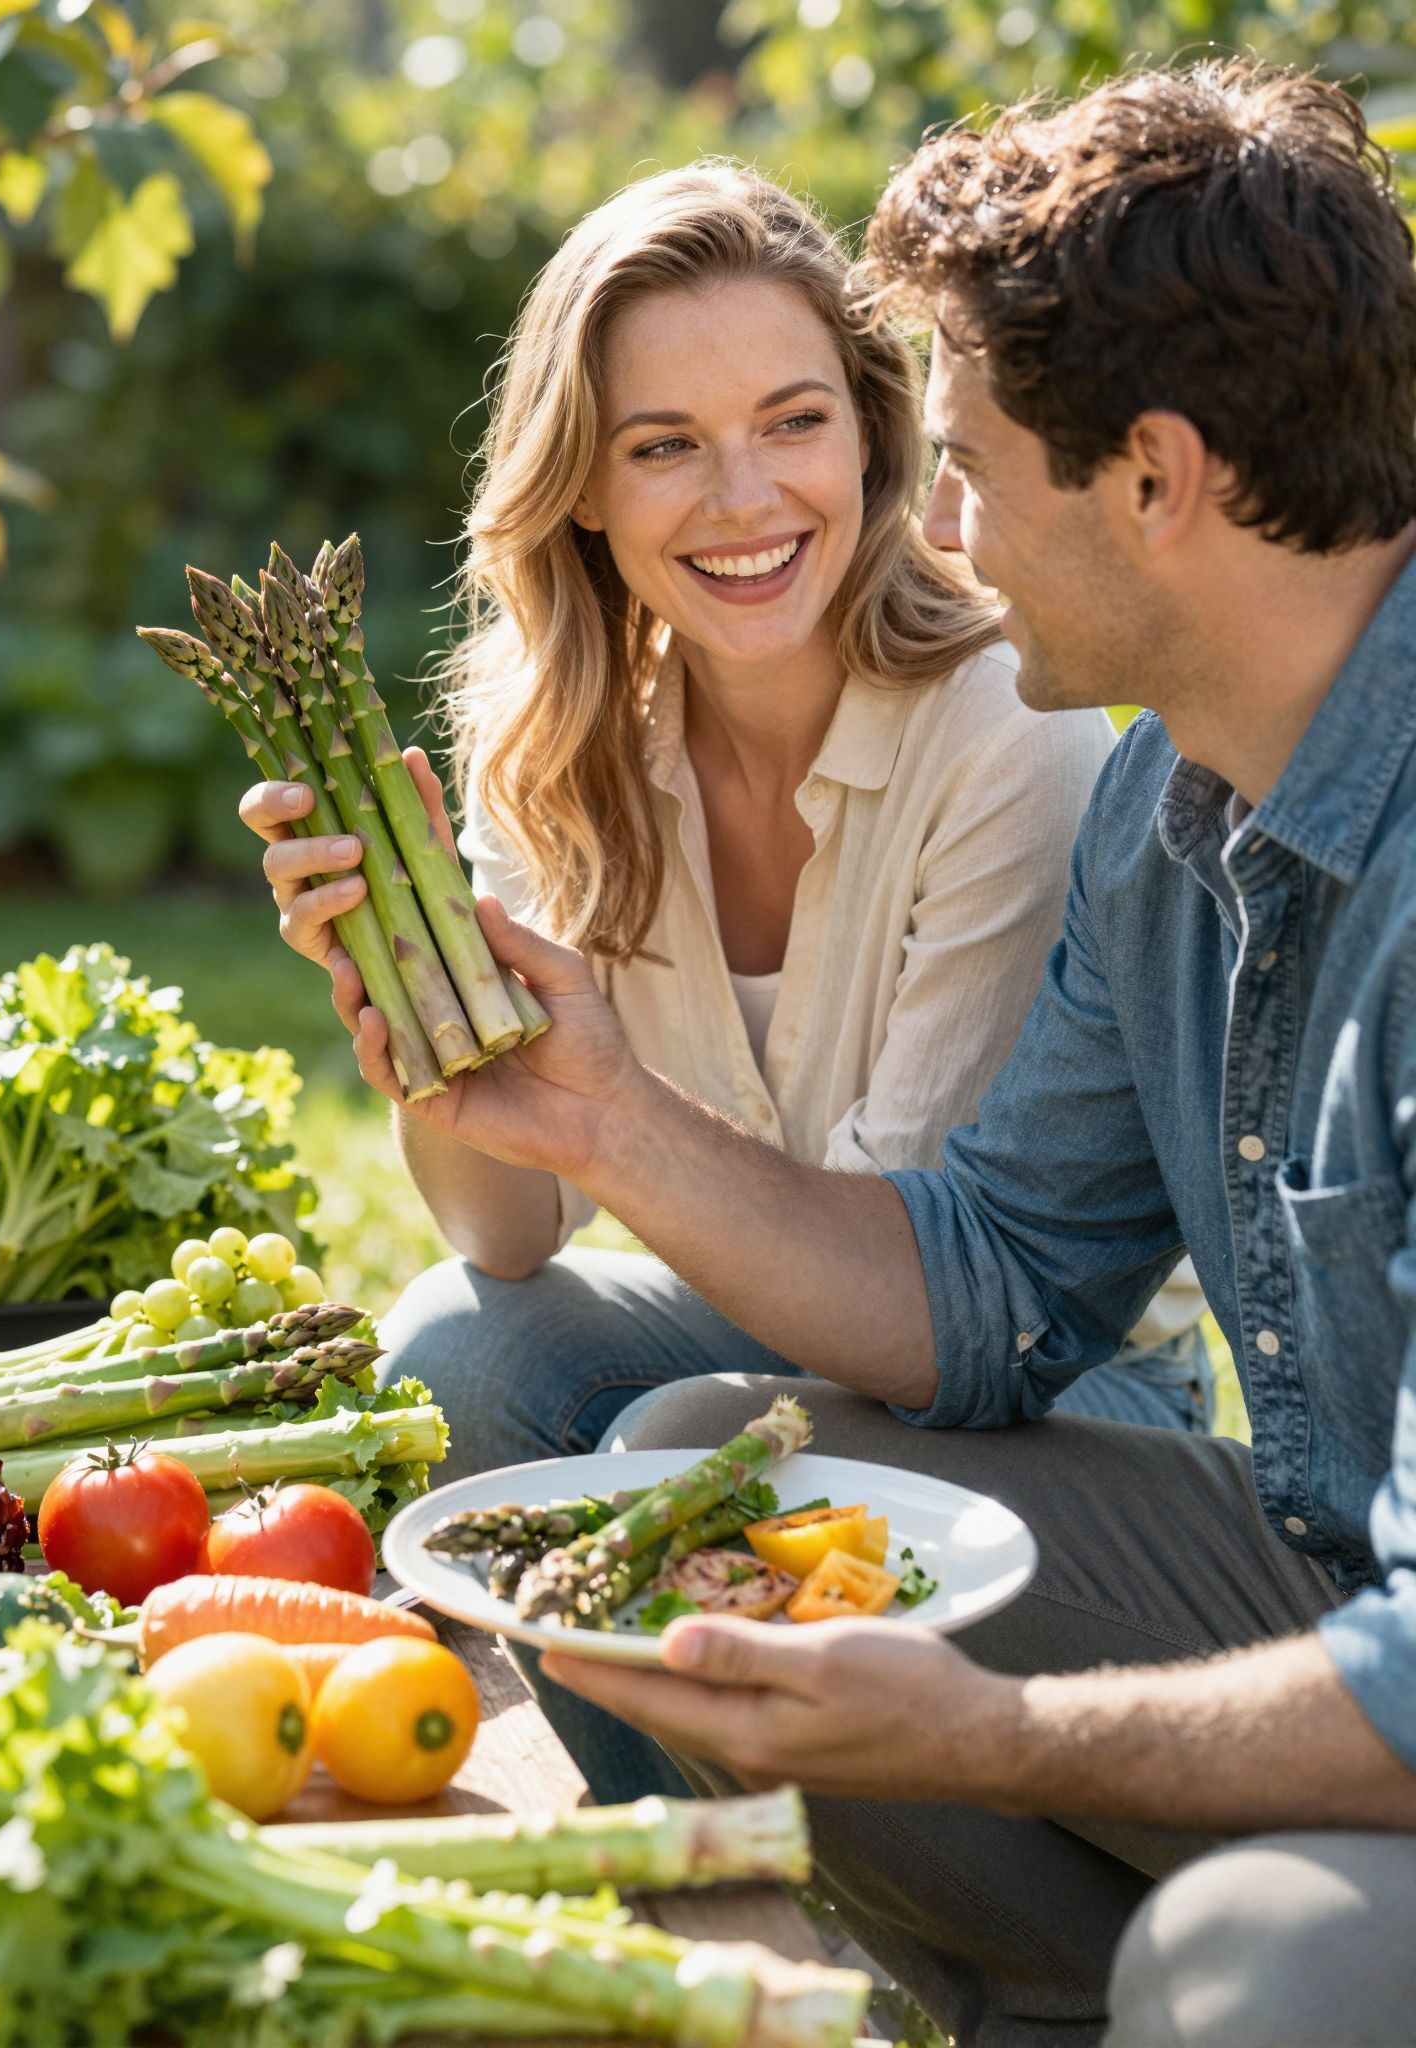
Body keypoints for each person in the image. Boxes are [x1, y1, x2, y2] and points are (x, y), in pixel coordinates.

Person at [265, 60, 1416, 2048]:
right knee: (702, 1475)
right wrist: (593, 1108)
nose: (932, 522)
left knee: (1261, 1964)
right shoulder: (1177, 832)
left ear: (1155, 477)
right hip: (1307, 1562)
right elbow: (977, 1289)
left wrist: (999, 1726)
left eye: (952, 457)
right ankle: (1028, 1997)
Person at [243, 164, 1205, 1502]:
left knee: (675, 1446)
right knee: (450, 1352)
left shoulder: (1004, 728)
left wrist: (620, 1132)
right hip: (777, 1344)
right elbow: (502, 1233)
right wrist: (420, 1009)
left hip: (1053, 1381)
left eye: (791, 422)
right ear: (580, 483)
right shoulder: (550, 749)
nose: (742, 500)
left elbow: (924, 1301)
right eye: (663, 445)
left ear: (870, 437)